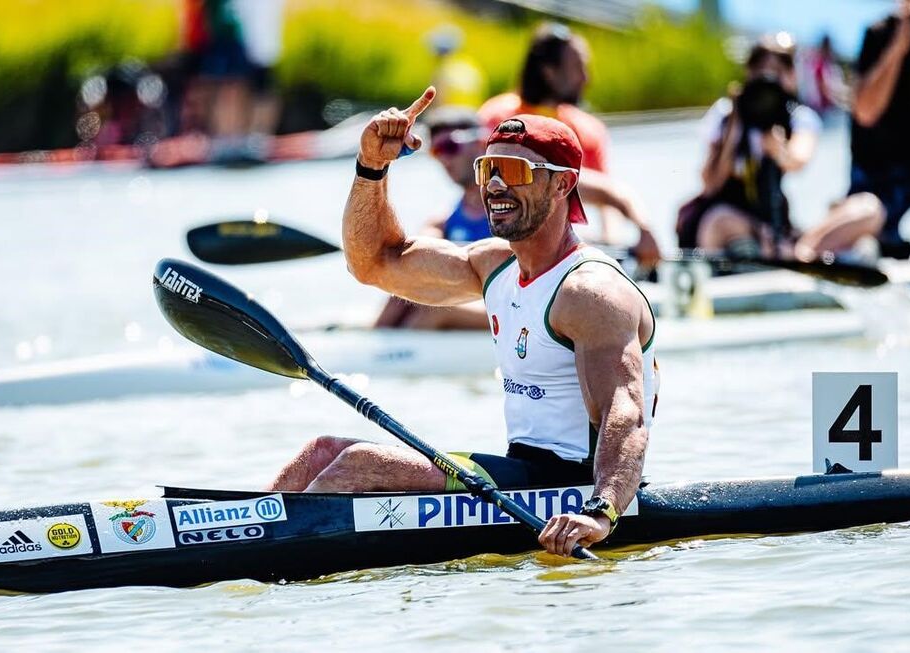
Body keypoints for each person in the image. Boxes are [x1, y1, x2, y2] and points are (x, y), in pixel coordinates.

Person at [266, 87, 657, 556]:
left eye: (513, 171)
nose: (493, 185)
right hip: (521, 471)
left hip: (573, 488)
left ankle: (265, 559)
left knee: (360, 463)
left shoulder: (589, 291)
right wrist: (372, 167)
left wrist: (602, 512)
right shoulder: (494, 266)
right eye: (487, 169)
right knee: (323, 451)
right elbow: (373, 262)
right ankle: (244, 530)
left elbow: (627, 411)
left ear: (562, 184)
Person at [677, 33, 885, 264]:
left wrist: (778, 149)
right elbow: (709, 185)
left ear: (792, 76)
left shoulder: (797, 117)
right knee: (720, 221)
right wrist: (733, 135)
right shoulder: (726, 113)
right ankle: (773, 255)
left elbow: (798, 160)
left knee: (868, 208)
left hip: (774, 226)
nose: (769, 77)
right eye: (761, 68)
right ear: (749, 73)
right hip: (729, 223)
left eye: (779, 68)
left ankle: (801, 253)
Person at [478, 22, 661, 268]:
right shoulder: (496, 118)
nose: (587, 78)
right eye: (578, 67)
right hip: (497, 242)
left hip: (559, 252)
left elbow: (606, 198)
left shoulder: (589, 129)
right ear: (549, 72)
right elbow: (483, 187)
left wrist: (612, 244)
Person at [374, 106, 492, 329]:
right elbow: (410, 262)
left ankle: (382, 354)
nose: (445, 160)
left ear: (481, 143)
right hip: (470, 302)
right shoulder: (442, 221)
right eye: (437, 151)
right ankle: (375, 343)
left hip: (511, 306)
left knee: (433, 310)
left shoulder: (513, 206)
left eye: (450, 147)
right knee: (403, 289)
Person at [849, 0, 910, 259]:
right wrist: (897, 49)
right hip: (876, 182)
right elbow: (865, 112)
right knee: (869, 216)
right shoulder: (879, 33)